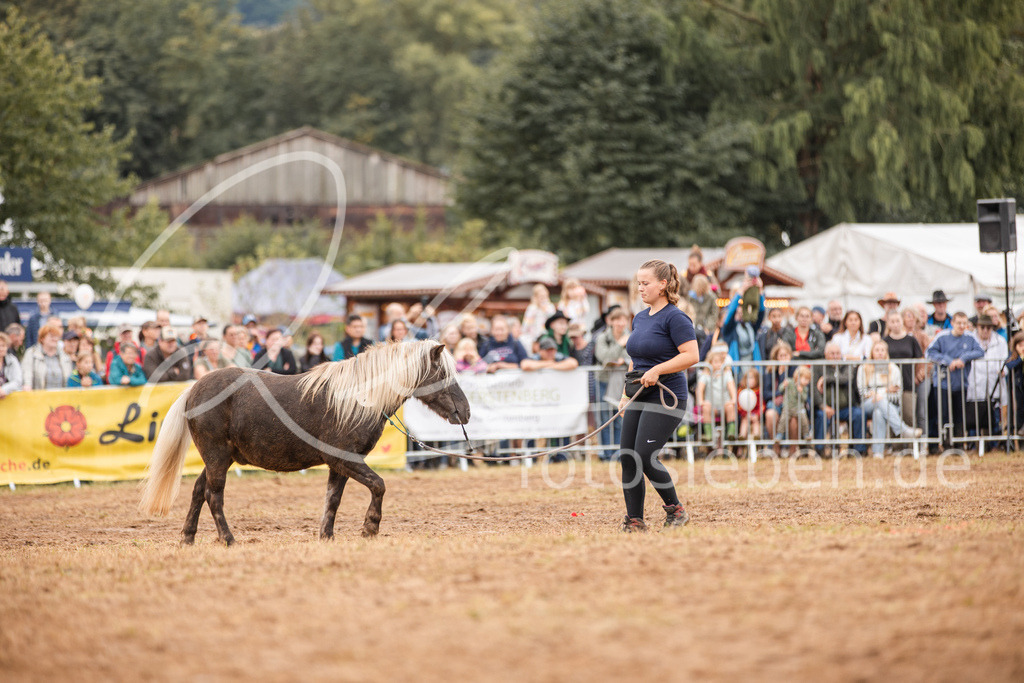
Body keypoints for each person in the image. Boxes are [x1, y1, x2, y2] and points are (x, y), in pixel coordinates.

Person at [615, 259, 696, 532]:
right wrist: (625, 395)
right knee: (628, 455)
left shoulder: (676, 317)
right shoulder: (640, 318)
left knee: (645, 455)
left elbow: (691, 356)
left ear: (662, 285)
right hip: (639, 393)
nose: (640, 288)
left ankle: (676, 510)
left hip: (667, 394)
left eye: (645, 283)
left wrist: (658, 370)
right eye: (638, 283)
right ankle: (635, 520)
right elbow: (635, 358)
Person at [926, 312, 983, 446]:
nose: (962, 326)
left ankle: (958, 443)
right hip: (943, 383)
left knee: (959, 415)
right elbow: (930, 352)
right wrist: (948, 361)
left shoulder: (970, 337)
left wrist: (963, 358)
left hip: (961, 383)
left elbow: (980, 351)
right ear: (952, 323)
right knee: (943, 414)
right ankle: (945, 443)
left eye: (964, 323)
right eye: (959, 323)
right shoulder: (942, 337)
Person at [857, 341, 922, 456]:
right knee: (880, 401)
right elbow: (863, 392)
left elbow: (897, 393)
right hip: (867, 404)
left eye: (882, 350)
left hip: (890, 405)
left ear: (886, 352)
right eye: (877, 350)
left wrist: (878, 394)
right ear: (872, 352)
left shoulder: (893, 368)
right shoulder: (863, 368)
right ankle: (903, 430)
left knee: (878, 412)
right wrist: (885, 390)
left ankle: (878, 452)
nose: (880, 353)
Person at [812, 342, 866, 455]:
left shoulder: (846, 365)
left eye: (837, 353)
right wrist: (823, 406)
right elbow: (814, 390)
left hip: (845, 407)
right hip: (825, 407)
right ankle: (820, 450)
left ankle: (859, 450)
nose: (835, 356)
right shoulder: (818, 367)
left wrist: (826, 378)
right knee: (821, 416)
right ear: (825, 354)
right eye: (832, 354)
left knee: (858, 414)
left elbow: (845, 379)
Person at [594, 308, 630, 460]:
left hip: (621, 383)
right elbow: (604, 357)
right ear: (611, 321)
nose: (620, 323)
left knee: (620, 418)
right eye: (617, 320)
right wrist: (620, 345)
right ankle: (606, 453)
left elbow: (629, 357)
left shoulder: (631, 336)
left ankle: (618, 453)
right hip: (603, 381)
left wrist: (620, 359)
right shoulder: (603, 338)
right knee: (604, 418)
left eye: (623, 320)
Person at [966, 314, 1008, 440]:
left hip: (994, 383)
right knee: (974, 416)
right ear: (977, 327)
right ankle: (974, 443)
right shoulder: (970, 339)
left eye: (988, 327)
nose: (985, 330)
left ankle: (994, 442)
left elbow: (1005, 360)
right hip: (975, 383)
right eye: (982, 327)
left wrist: (1003, 370)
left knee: (993, 415)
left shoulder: (1000, 341)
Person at [882, 309, 923, 427]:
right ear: (888, 324)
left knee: (909, 416)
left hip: (908, 383)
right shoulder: (885, 341)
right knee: (892, 415)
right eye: (892, 321)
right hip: (891, 385)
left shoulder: (911, 340)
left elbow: (920, 359)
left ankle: (910, 445)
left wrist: (918, 375)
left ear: (902, 322)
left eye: (897, 321)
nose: (895, 324)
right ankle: (895, 445)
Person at [720, 279, 765, 366]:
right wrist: (740, 293)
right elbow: (730, 313)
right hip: (736, 369)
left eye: (742, 312)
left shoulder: (750, 326)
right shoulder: (729, 329)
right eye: (738, 312)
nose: (740, 314)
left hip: (752, 368)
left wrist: (760, 292)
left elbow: (761, 313)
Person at [697, 345, 737, 441]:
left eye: (721, 362)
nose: (719, 364)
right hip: (712, 406)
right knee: (706, 407)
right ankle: (709, 435)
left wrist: (733, 400)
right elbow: (700, 389)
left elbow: (732, 387)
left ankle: (731, 434)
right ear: (710, 363)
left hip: (724, 404)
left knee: (730, 407)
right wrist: (701, 401)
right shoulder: (706, 375)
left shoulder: (727, 374)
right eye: (716, 362)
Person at [21, 322, 72, 390]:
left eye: (56, 336)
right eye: (51, 336)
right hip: (39, 397)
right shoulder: (31, 353)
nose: (55, 339)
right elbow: (27, 373)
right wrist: (27, 385)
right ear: (42, 338)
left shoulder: (64, 355)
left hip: (62, 397)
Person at [777, 366, 813, 457]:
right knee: (783, 420)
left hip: (799, 408)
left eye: (808, 380)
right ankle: (779, 434)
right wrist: (783, 385)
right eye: (805, 379)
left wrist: (801, 392)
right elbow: (780, 390)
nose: (806, 382)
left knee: (804, 420)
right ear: (797, 377)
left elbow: (805, 399)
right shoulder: (789, 382)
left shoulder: (804, 388)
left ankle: (806, 434)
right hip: (788, 407)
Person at [763, 341, 795, 440]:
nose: (783, 358)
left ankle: (792, 451)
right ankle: (775, 449)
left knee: (794, 418)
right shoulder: (770, 371)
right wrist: (781, 375)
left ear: (790, 356)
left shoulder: (795, 370)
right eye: (781, 356)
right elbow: (766, 393)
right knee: (770, 415)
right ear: (776, 357)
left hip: (791, 403)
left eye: (785, 355)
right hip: (775, 403)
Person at [520, 284, 556, 351]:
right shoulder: (532, 308)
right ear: (536, 297)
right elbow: (525, 325)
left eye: (545, 296)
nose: (543, 299)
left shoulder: (550, 307)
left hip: (546, 335)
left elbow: (553, 321)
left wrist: (545, 310)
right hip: (533, 336)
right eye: (541, 297)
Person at [737, 367, 762, 440]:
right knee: (744, 421)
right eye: (748, 378)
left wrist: (757, 414)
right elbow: (739, 405)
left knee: (756, 422)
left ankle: (756, 436)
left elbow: (761, 405)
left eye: (752, 378)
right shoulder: (741, 391)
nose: (749, 380)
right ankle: (742, 436)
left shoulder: (758, 391)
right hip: (745, 414)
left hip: (755, 414)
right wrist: (745, 413)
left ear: (756, 380)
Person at [0, 331, 23, 397]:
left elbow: (18, 381)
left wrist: (4, 389)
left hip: (10, 400)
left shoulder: (12, 360)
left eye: (3, 346)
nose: (1, 349)